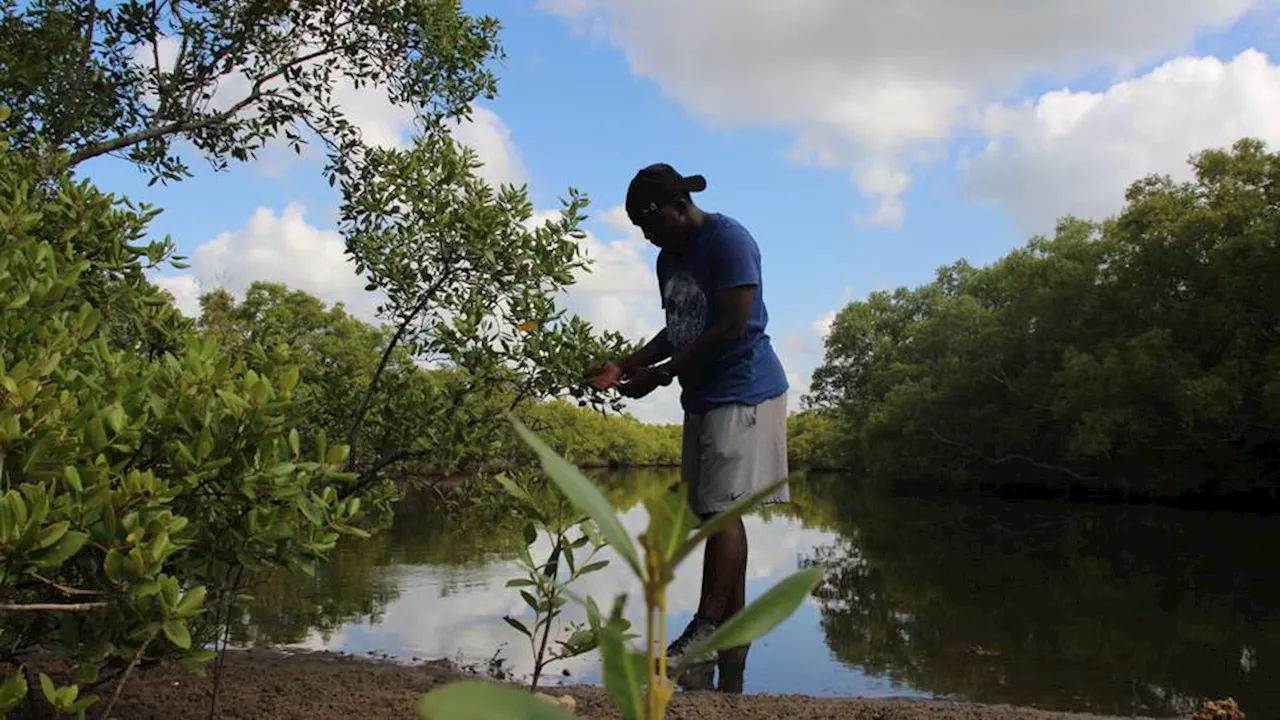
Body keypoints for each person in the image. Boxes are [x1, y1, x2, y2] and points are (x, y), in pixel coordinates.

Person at [589, 162, 790, 672]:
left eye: (653, 224)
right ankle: (732, 641)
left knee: (721, 513)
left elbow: (729, 327)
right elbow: (678, 327)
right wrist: (627, 364)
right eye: (640, 229)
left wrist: (661, 376)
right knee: (710, 512)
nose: (649, 236)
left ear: (681, 206)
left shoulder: (729, 241)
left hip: (745, 392)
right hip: (701, 397)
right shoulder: (667, 260)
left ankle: (704, 630)